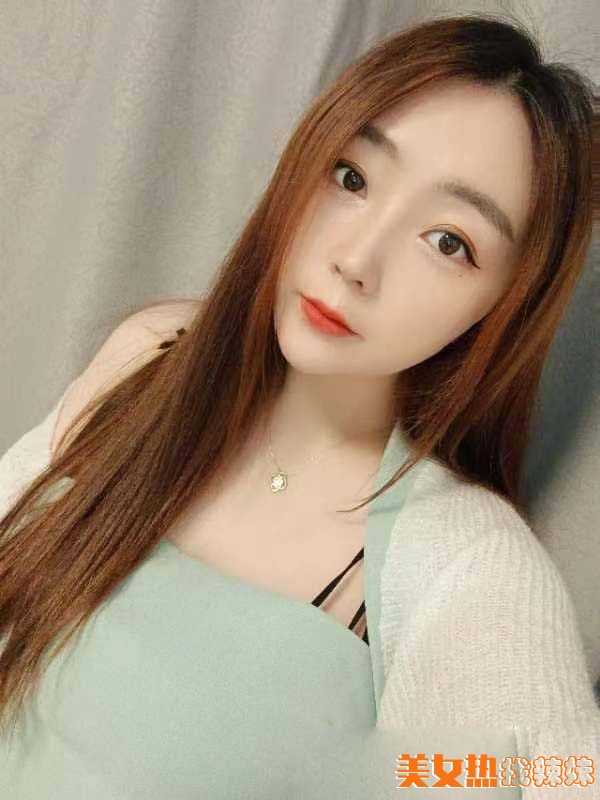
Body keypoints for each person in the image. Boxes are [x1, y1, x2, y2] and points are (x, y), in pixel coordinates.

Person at [0, 12, 598, 799]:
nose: (356, 260)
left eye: (448, 241)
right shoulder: (150, 362)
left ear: (505, 305)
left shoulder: (466, 566)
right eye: (351, 178)